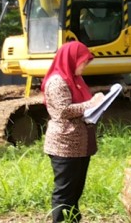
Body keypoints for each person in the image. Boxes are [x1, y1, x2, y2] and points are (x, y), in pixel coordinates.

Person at [41, 41, 104, 222]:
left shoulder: (76, 80)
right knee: (64, 192)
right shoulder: (57, 81)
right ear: (71, 59)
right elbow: (63, 110)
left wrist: (98, 103)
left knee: (75, 191)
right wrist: (91, 104)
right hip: (65, 146)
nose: (84, 66)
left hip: (81, 145)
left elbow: (83, 106)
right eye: (83, 62)